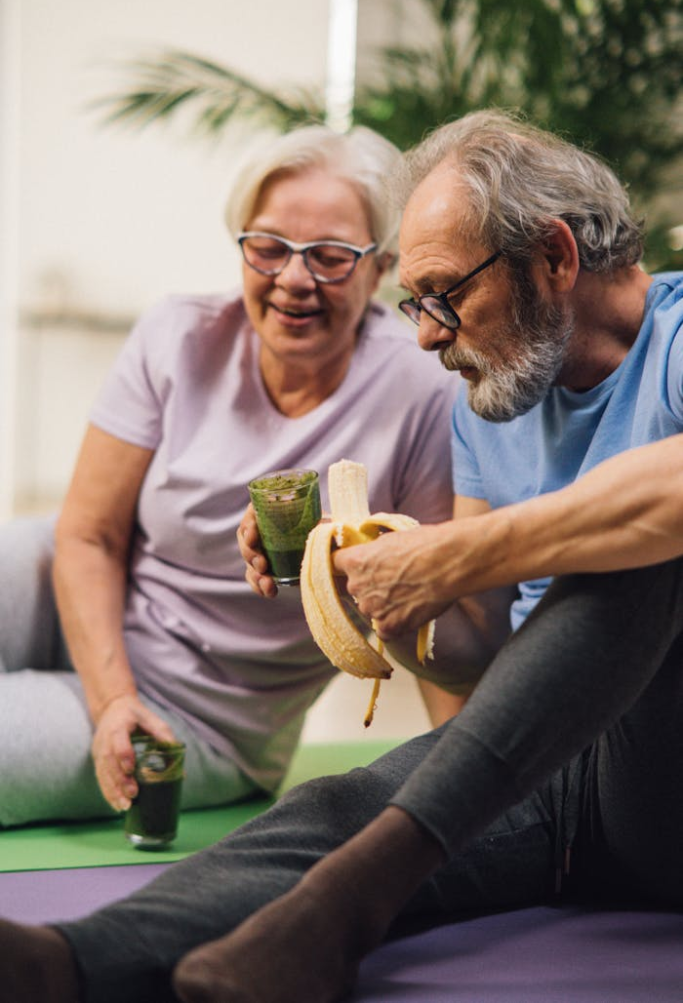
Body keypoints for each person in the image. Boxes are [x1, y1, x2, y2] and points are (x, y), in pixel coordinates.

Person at [4, 107, 683, 1003]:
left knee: (638, 553)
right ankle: (73, 960)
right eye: (418, 304)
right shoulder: (490, 403)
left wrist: (452, 554)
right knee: (331, 810)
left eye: (445, 296)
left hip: (662, 772)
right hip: (555, 777)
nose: (429, 335)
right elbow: (480, 649)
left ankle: (346, 910)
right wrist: (376, 591)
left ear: (554, 257)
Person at [0, 123, 461, 828]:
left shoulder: (422, 393)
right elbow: (88, 535)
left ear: (379, 267)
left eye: (331, 257)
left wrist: (462, 802)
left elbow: (433, 617)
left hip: (198, 712)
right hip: (72, 594)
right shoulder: (175, 334)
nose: (293, 280)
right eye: (269, 248)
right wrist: (109, 693)